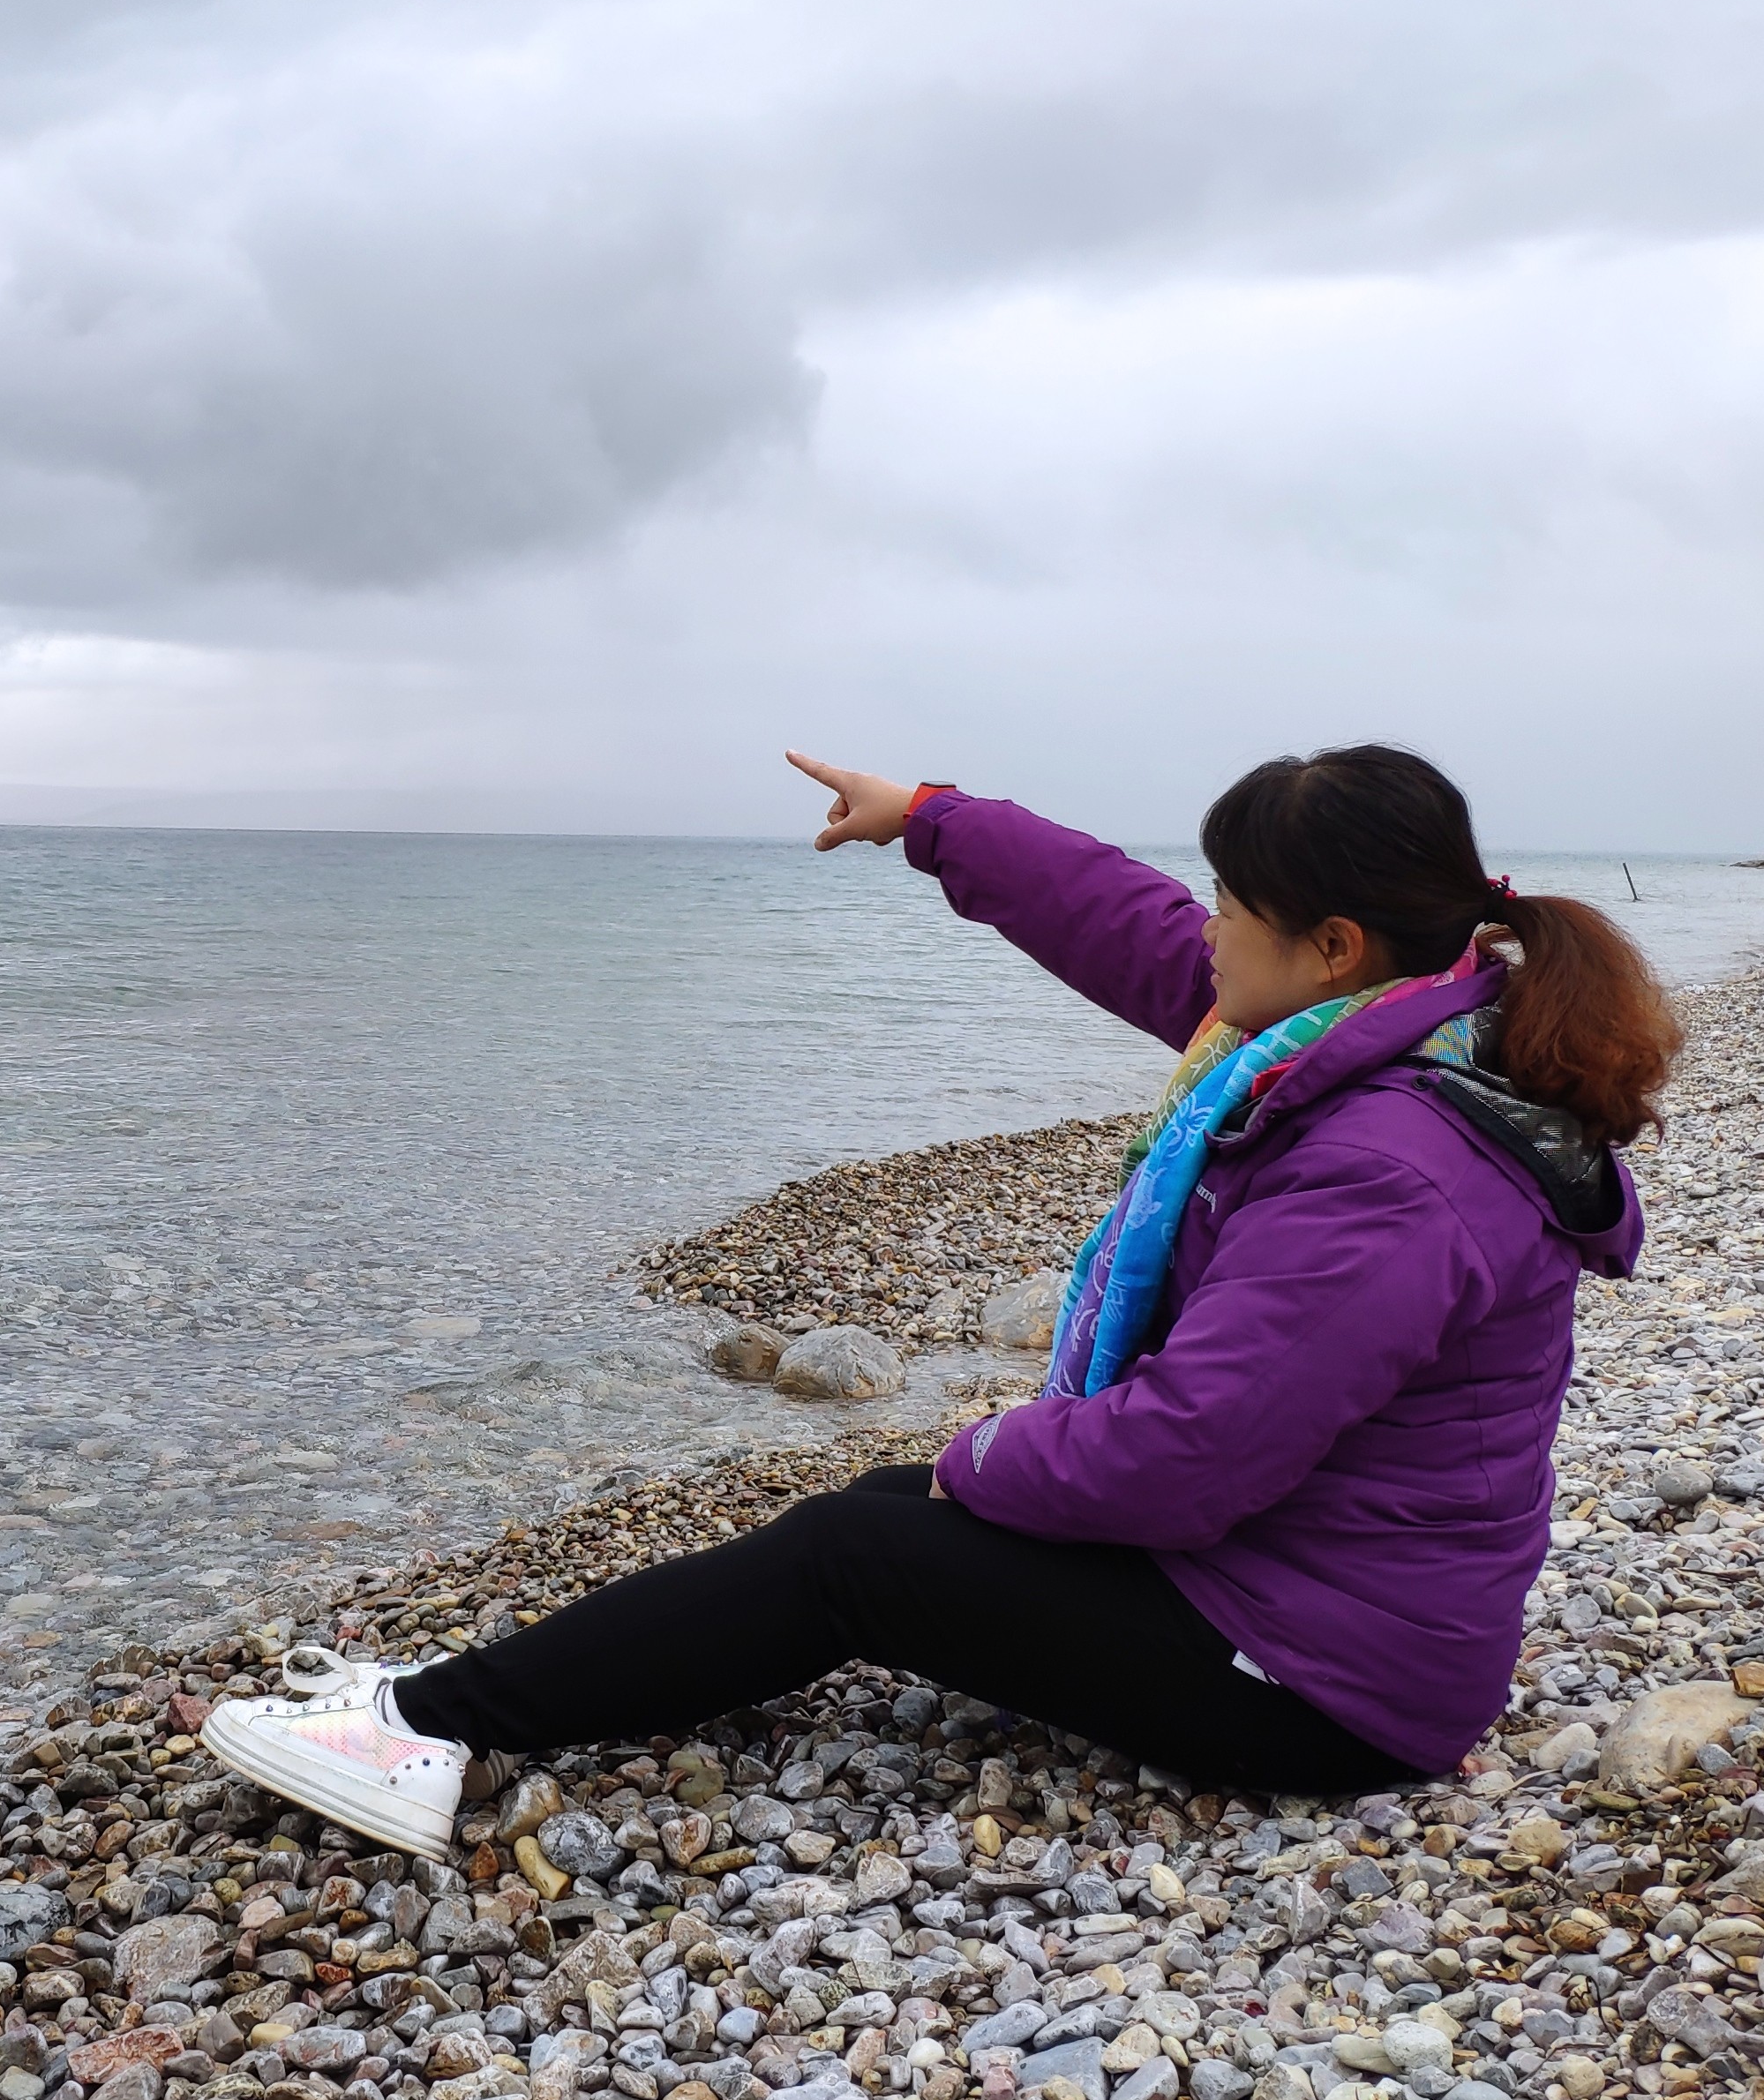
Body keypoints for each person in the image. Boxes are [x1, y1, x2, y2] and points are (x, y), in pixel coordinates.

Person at [201, 745, 1677, 1854]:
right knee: (909, 1506)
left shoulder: (1390, 1170)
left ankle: (422, 1733)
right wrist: (933, 822)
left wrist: (991, 1447)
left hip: (1320, 1684)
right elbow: (1134, 929)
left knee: (862, 1546)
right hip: (1329, 1604)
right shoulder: (1383, 1037)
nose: (1207, 930)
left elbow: (1185, 1459)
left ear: (1333, 945)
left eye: (1234, 904)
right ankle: (453, 1692)